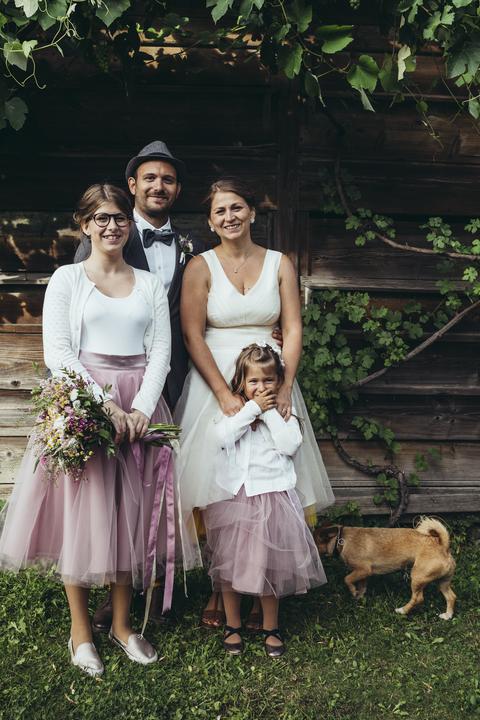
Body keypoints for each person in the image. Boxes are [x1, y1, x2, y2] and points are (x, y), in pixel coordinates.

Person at [0, 184, 197, 676]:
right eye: (102, 218)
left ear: (129, 224)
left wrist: (141, 409)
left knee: (130, 512)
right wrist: (104, 406)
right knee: (83, 515)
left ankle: (123, 625)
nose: (112, 226)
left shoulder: (148, 284)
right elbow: (59, 353)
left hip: (139, 404)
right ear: (85, 224)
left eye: (120, 218)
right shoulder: (68, 279)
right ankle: (81, 631)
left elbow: (161, 351)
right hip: (84, 402)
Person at [175, 177, 334, 630]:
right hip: (216, 382)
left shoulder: (280, 263)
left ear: (252, 212)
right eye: (220, 211)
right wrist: (224, 394)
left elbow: (294, 327)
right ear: (210, 221)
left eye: (237, 207)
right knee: (217, 484)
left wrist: (285, 387)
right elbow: (191, 333)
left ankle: (263, 578)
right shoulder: (200, 267)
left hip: (269, 375)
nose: (230, 217)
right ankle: (221, 582)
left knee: (270, 481)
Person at [74, 140, 204, 628]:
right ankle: (109, 591)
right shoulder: (107, 232)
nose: (158, 186)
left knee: (157, 485)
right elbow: (77, 315)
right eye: (149, 177)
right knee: (109, 488)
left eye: (168, 179)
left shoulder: (192, 244)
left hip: (171, 378)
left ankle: (152, 586)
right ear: (132, 185)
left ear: (177, 190)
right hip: (109, 387)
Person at [204, 343, 327, 657]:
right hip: (235, 499)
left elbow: (289, 445)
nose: (261, 387)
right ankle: (233, 624)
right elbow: (221, 438)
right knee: (229, 567)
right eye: (254, 381)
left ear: (279, 381)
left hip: (272, 499)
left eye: (268, 380)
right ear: (242, 383)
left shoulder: (284, 414)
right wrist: (251, 410)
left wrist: (268, 411)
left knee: (270, 567)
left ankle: (271, 626)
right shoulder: (234, 412)